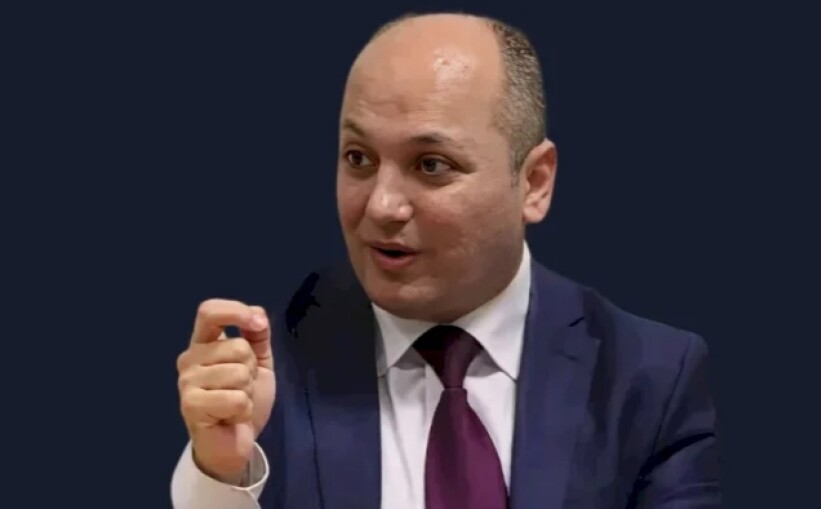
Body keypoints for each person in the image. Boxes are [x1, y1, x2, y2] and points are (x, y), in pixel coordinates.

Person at [171, 11, 722, 509]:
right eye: (359, 158)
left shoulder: (648, 380)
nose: (382, 205)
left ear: (534, 183)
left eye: (431, 165)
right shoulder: (266, 371)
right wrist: (222, 477)